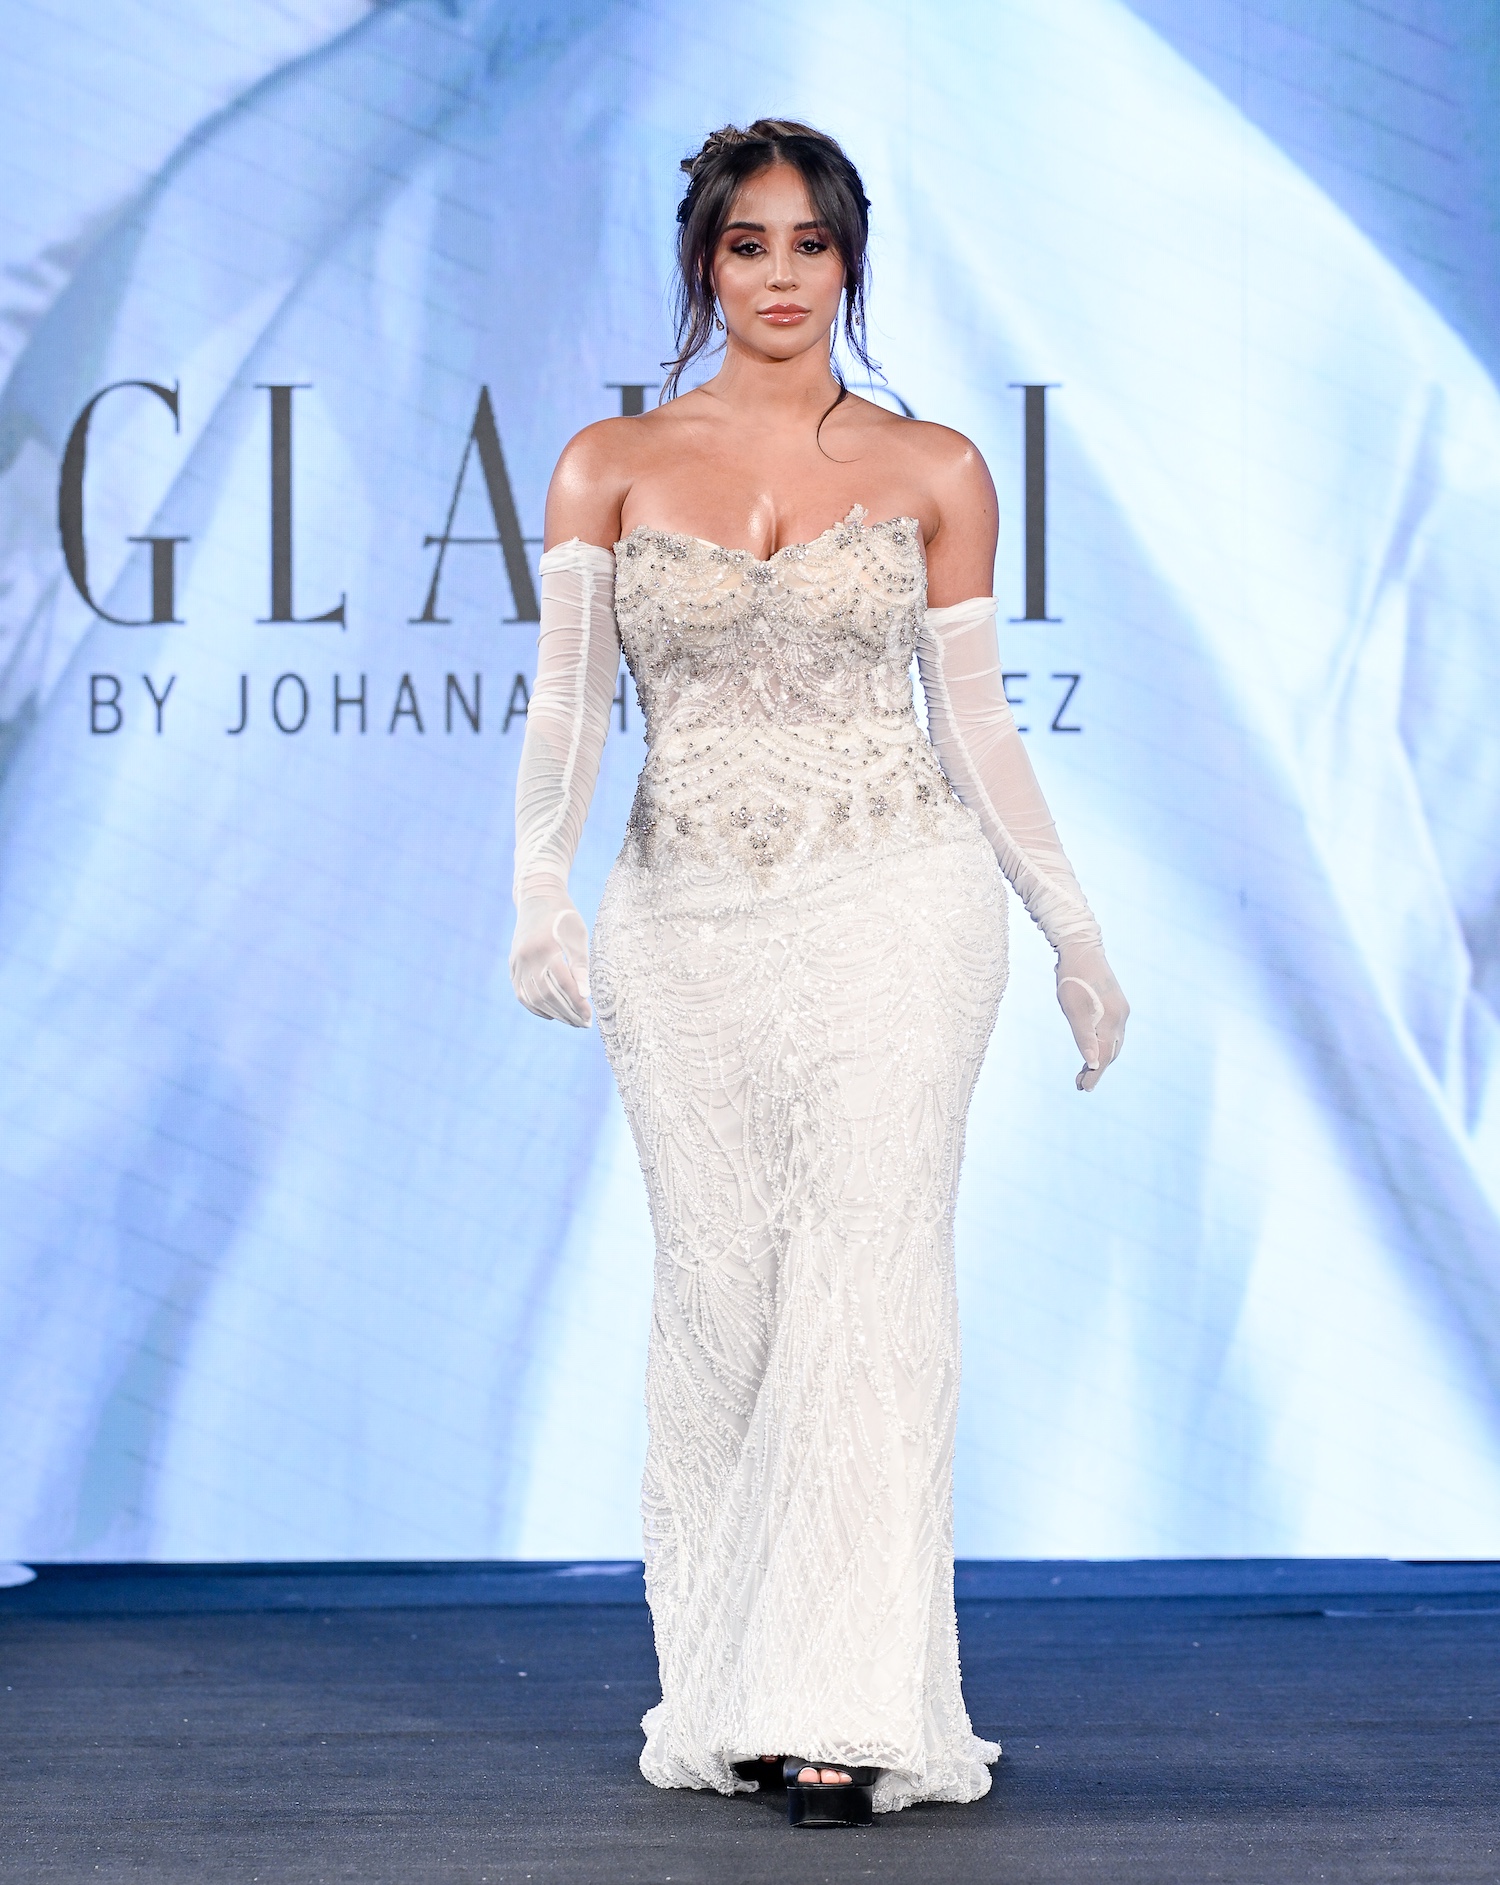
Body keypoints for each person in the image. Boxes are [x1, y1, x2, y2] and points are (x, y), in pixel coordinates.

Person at [510, 119, 1128, 1826]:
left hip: (899, 898)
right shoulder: (606, 465)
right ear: (703, 262)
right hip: (683, 914)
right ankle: (734, 1681)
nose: (780, 274)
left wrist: (1074, 930)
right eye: (747, 243)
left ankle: (843, 1707)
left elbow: (977, 723)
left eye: (810, 242)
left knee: (869, 1276)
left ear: (852, 260)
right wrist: (538, 891)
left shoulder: (936, 468)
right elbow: (567, 706)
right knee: (723, 1296)